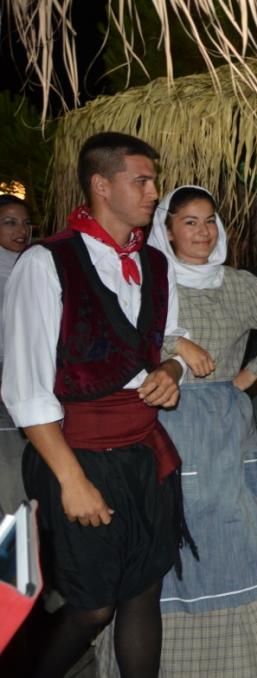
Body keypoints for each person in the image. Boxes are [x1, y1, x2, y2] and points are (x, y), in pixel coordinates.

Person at [2, 132, 192, 677]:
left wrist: (170, 371)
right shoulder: (45, 262)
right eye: (143, 180)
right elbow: (25, 389)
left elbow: (171, 340)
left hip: (144, 454)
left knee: (142, 593)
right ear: (102, 185)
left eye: (154, 179)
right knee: (91, 607)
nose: (155, 191)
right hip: (77, 456)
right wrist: (72, 480)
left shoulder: (156, 262)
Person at [94, 185, 257, 676]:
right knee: (163, 540)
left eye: (209, 221)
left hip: (225, 428)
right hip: (160, 420)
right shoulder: (146, 281)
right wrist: (177, 345)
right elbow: (123, 339)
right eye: (189, 221)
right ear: (167, 229)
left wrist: (252, 374)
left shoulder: (240, 284)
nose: (202, 231)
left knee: (228, 538)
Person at [0, 194, 33, 514]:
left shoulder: (36, 267)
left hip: (32, 376)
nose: (20, 230)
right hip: (5, 379)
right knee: (9, 465)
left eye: (25, 223)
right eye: (10, 223)